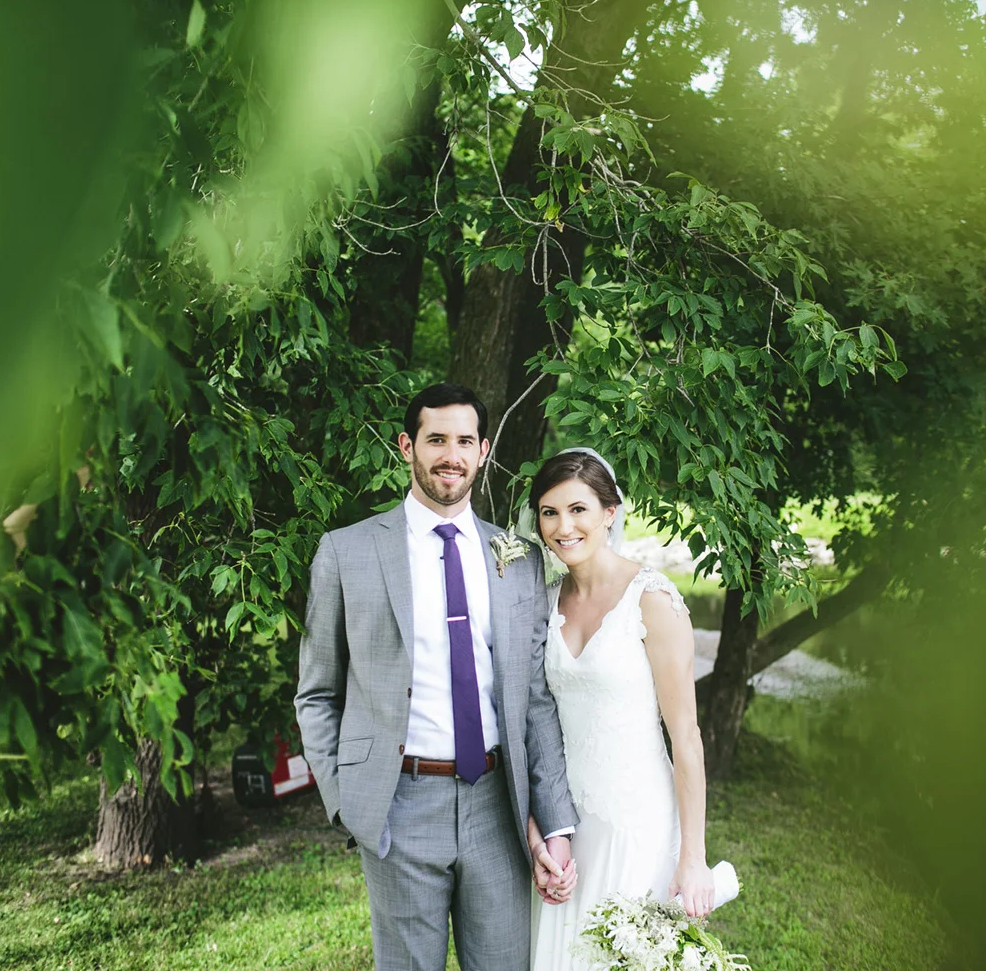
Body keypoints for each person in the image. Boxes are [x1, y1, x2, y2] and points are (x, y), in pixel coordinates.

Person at [294, 382, 579, 971]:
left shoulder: (518, 558)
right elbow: (317, 693)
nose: (451, 454)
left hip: (498, 808)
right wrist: (347, 802)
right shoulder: (346, 553)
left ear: (483, 451)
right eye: (436, 440)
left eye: (464, 441)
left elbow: (534, 703)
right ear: (407, 446)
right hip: (399, 805)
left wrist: (554, 823)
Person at [526, 448, 715, 971]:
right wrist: (543, 828)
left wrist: (693, 858)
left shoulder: (652, 600)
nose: (563, 526)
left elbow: (687, 738)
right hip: (568, 821)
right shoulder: (540, 601)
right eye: (549, 512)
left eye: (579, 509)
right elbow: (533, 726)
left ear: (610, 512)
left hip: (638, 820)